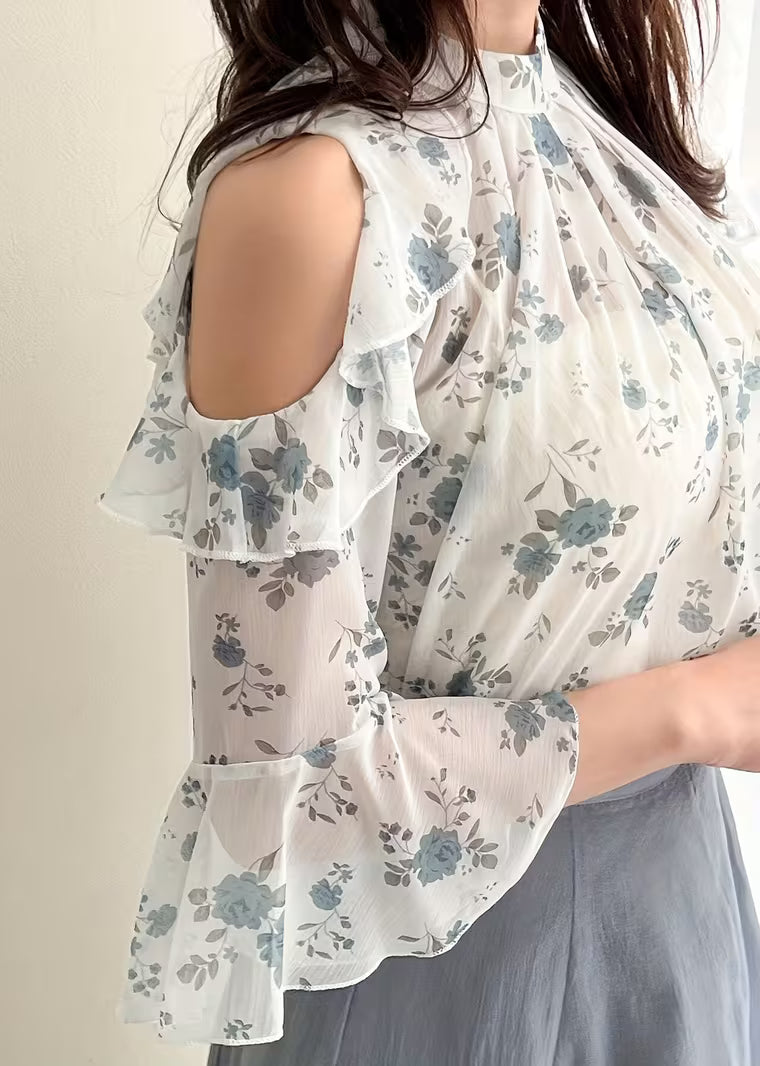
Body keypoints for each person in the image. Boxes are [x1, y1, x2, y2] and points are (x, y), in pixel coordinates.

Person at [97, 0, 760, 1062]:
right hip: (450, 974)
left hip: (684, 910)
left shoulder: (617, 141)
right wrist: (696, 712)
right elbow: (291, 796)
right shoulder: (317, 195)